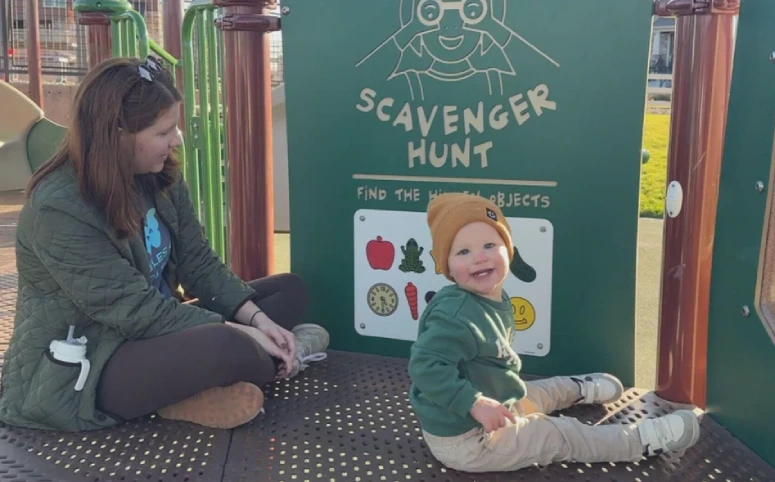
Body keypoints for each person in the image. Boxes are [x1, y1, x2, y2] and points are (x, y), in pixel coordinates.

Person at [0, 56, 329, 432]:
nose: (175, 140)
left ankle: (198, 385)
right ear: (118, 133)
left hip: (152, 331)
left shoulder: (158, 175)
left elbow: (199, 263)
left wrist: (258, 321)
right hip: (91, 363)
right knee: (229, 345)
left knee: (288, 291)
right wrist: (242, 333)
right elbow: (134, 310)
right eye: (163, 132)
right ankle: (273, 359)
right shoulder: (59, 208)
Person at [408, 193, 701, 473]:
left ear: (508, 249)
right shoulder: (454, 316)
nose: (479, 258)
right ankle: (639, 440)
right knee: (556, 434)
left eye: (489, 245)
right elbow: (425, 366)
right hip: (467, 440)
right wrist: (473, 402)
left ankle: (577, 389)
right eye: (463, 251)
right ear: (447, 267)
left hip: (496, 402)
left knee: (535, 391)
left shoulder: (492, 298)